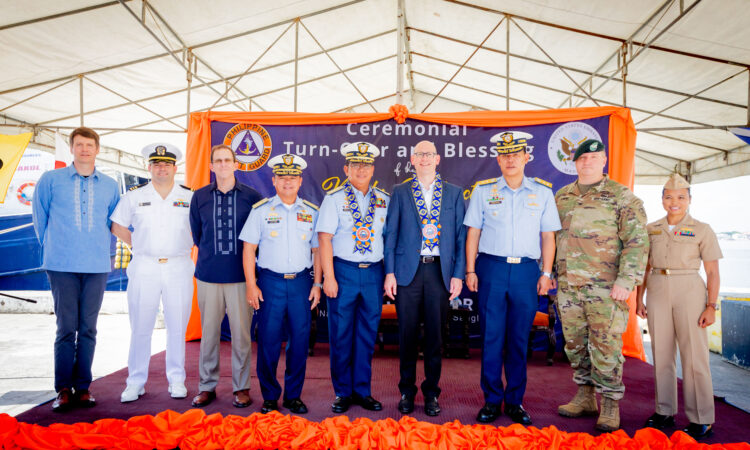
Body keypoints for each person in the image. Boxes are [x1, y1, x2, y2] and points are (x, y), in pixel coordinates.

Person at [463, 131, 560, 425]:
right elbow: (473, 233)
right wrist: (470, 269)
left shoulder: (542, 192)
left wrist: (546, 272)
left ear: (526, 157)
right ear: (498, 159)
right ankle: (492, 400)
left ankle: (515, 401)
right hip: (491, 268)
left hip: (526, 272)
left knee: (518, 340)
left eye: (515, 154)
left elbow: (548, 237)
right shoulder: (483, 191)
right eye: (505, 155)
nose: (510, 159)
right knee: (491, 338)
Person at [554, 139, 649, 431]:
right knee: (575, 345)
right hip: (569, 286)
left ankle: (609, 403)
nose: (588, 162)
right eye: (583, 158)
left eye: (594, 157)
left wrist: (626, 280)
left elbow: (637, 241)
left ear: (604, 159)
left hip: (606, 288)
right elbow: (550, 238)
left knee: (605, 346)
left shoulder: (622, 196)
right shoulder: (562, 196)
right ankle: (585, 396)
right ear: (575, 162)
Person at [31, 127, 120, 412]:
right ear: (71, 148)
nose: (84, 149)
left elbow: (114, 223)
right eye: (79, 144)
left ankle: (83, 387)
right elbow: (39, 219)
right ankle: (62, 389)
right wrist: (55, 249)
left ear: (97, 149)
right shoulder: (50, 180)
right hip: (61, 265)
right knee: (66, 327)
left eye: (89, 145)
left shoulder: (109, 185)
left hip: (96, 266)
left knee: (89, 328)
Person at [635, 173, 722, 440]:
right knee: (661, 353)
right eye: (669, 197)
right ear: (662, 199)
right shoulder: (651, 229)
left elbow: (713, 272)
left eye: (681, 197)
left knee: (694, 356)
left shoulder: (702, 229)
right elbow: (645, 268)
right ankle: (664, 411)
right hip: (659, 288)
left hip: (690, 290)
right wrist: (639, 299)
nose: (675, 202)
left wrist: (711, 305)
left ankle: (701, 418)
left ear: (689, 200)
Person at [383, 140, 466, 417]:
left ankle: (432, 393)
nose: (425, 158)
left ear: (438, 158)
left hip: (439, 272)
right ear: (412, 159)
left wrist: (458, 274)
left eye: (429, 154)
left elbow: (459, 238)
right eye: (420, 154)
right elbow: (391, 234)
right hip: (408, 272)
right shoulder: (400, 192)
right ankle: (407, 391)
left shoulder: (454, 194)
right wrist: (390, 272)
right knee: (406, 336)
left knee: (434, 337)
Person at [110, 143, 194, 403]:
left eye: (166, 164)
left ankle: (177, 379)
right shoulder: (134, 196)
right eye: (157, 163)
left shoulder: (190, 196)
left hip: (178, 265)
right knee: (141, 326)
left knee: (177, 327)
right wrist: (137, 244)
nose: (162, 167)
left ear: (174, 168)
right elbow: (117, 225)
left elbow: (200, 229)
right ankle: (135, 382)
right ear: (149, 167)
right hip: (144, 265)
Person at [239, 154, 322, 415]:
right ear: (274, 180)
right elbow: (248, 250)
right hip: (270, 283)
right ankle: (270, 396)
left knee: (299, 342)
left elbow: (318, 251)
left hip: (300, 283)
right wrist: (252, 285)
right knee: (268, 342)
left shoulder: (311, 212)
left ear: (300, 181)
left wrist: (317, 284)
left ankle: (293, 396)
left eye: (293, 178)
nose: (288, 182)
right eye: (282, 177)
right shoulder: (261, 211)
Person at [316, 141, 389, 413]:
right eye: (355, 164)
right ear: (346, 168)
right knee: (341, 335)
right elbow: (324, 239)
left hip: (373, 273)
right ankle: (343, 392)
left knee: (367, 335)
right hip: (343, 272)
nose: (361, 169)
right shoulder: (334, 199)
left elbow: (388, 240)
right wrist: (328, 278)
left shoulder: (384, 199)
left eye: (366, 164)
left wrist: (387, 275)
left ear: (373, 168)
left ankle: (363, 391)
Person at [189, 144, 262, 408]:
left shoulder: (252, 197)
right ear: (211, 166)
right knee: (208, 335)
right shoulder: (199, 197)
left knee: (241, 336)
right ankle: (207, 386)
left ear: (236, 164)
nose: (222, 164)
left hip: (242, 278)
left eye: (227, 160)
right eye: (217, 161)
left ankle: (241, 387)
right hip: (208, 276)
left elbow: (257, 238)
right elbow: (197, 235)